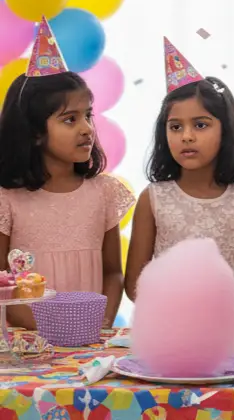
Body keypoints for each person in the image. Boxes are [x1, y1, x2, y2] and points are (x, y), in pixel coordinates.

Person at [125, 39, 234, 326]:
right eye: (176, 126)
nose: (187, 136)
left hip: (232, 334)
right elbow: (134, 283)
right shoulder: (153, 198)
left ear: (226, 130)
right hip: (167, 329)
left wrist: (233, 321)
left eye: (201, 125)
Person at [0, 18, 134, 329]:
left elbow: (113, 272)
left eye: (88, 115)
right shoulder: (8, 199)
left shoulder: (104, 193)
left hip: (88, 341)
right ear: (34, 132)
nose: (88, 128)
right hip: (30, 345)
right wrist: (49, 325)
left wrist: (99, 324)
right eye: (69, 119)